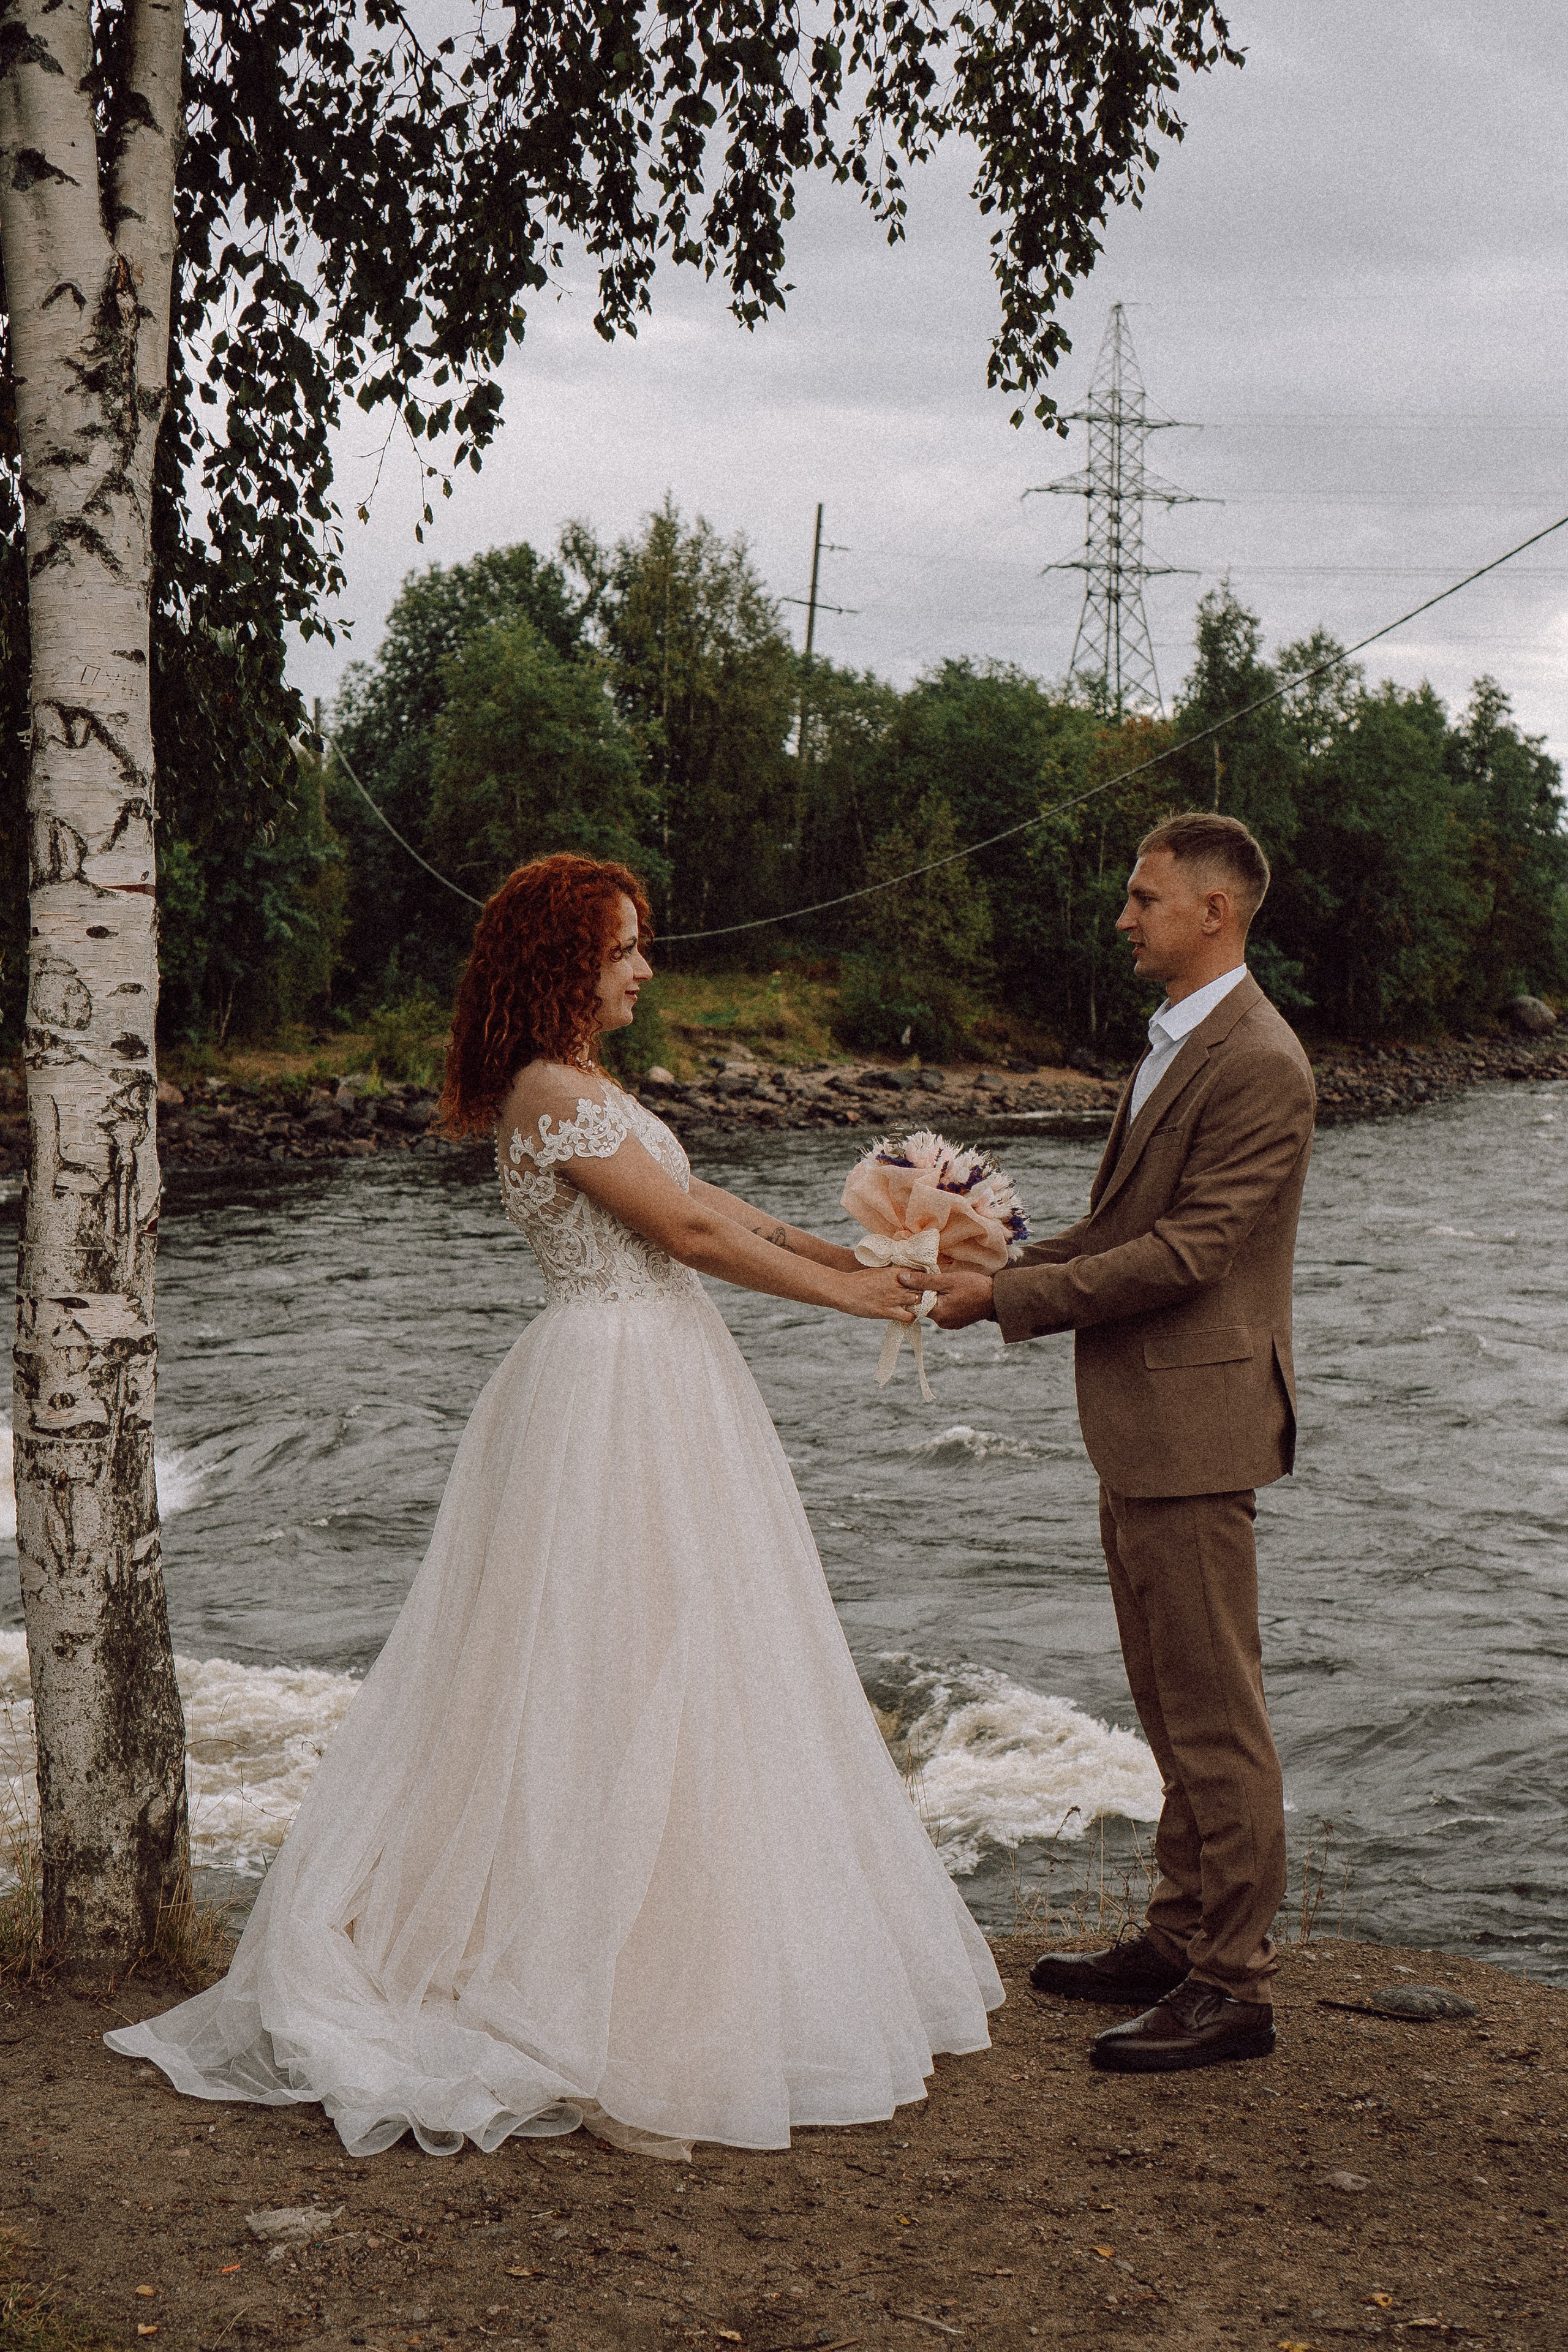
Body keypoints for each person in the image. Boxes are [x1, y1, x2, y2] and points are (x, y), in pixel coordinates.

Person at [107, 852, 1001, 2157]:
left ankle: (674, 1958)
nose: (645, 966)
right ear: (563, 963)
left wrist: (857, 1251)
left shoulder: (587, 1088)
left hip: (663, 1374)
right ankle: (593, 1995)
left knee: (690, 1658)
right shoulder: (544, 1094)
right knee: (609, 1664)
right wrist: (853, 1301)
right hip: (611, 1384)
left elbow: (704, 1204)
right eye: (626, 947)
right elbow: (687, 1242)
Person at [906, 811, 1314, 2075]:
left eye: (1143, 899)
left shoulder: (1259, 1060)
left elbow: (1193, 1251)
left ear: (1214, 911)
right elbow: (1116, 1223)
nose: (1122, 917)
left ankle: (1231, 1989)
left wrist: (1008, 1301)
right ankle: (1179, 1934)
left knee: (1215, 1717)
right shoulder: (1179, 1043)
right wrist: (990, 1262)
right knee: (1164, 1701)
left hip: (1195, 1428)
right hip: (1145, 1425)